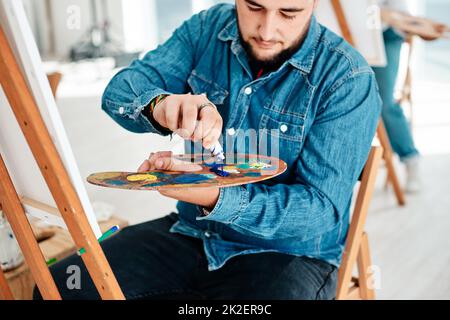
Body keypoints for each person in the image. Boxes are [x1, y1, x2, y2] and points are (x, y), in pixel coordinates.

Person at [34, 0, 381, 300]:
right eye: (254, 6)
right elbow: (119, 91)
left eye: (288, 13)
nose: (266, 29)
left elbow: (320, 211)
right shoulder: (207, 28)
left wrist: (216, 198)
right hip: (193, 233)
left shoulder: (347, 78)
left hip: (288, 253)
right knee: (60, 286)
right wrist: (158, 104)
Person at [374, 0, 445, 193]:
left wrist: (379, 14)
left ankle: (410, 159)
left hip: (386, 33)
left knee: (383, 103)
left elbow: (399, 12)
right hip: (346, 31)